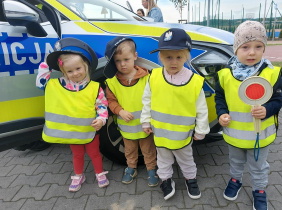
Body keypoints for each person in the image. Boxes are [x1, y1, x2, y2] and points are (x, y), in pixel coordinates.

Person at [215, 21, 282, 210]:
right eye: (245, 47)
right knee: (235, 161)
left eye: (258, 46)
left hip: (259, 136)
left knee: (258, 166)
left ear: (264, 48)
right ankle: (235, 180)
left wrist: (267, 109)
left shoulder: (272, 73)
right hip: (235, 135)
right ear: (236, 49)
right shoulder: (224, 74)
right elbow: (220, 99)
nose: (252, 52)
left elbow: (278, 100)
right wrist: (221, 114)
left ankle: (259, 190)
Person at [140, 28, 210, 200]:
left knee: (186, 160)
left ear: (186, 56)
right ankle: (165, 180)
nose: (173, 62)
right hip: (161, 134)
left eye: (179, 57)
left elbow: (201, 109)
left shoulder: (194, 81)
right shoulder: (154, 76)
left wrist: (201, 130)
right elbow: (147, 100)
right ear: (161, 57)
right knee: (163, 161)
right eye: (168, 57)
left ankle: (190, 179)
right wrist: (145, 121)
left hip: (183, 136)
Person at [36, 38, 109, 192]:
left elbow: (102, 105)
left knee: (95, 153)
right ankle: (78, 175)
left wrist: (101, 120)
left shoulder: (94, 87)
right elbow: (41, 82)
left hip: (90, 130)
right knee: (77, 155)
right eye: (69, 71)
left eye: (78, 69)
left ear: (86, 66)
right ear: (63, 72)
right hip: (71, 132)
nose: (75, 73)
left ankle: (99, 173)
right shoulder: (55, 86)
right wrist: (46, 63)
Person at [103, 36, 158, 187]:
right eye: (118, 61)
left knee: (148, 150)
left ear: (135, 56)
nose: (122, 64)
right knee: (129, 151)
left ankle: (151, 169)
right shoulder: (112, 82)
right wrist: (120, 111)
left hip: (145, 127)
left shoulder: (147, 78)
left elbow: (155, 99)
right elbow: (111, 101)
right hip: (126, 128)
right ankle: (131, 168)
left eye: (126, 59)